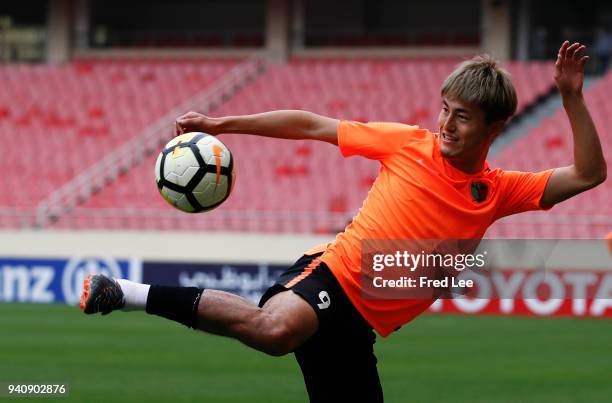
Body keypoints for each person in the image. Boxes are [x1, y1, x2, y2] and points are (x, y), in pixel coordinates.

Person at [80, 41, 606, 402]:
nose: (445, 124)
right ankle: (122, 292)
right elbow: (312, 124)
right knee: (275, 330)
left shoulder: (496, 191)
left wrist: (571, 98)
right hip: (333, 278)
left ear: (494, 126)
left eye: (462, 116)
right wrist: (223, 123)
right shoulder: (407, 144)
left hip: (360, 327)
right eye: (444, 109)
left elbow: (588, 173)